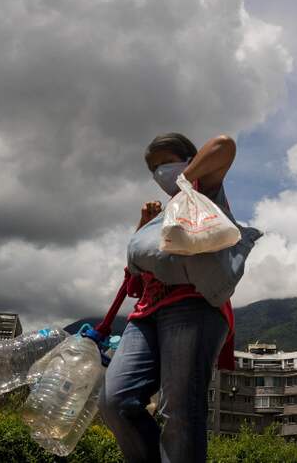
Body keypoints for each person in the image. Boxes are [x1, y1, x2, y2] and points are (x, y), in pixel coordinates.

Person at [99, 133, 255, 463]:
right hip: (145, 316)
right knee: (115, 401)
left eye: (167, 162)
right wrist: (142, 227)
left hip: (192, 307)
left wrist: (187, 178)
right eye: (154, 168)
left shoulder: (203, 194)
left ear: (188, 159)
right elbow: (137, 282)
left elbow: (224, 145)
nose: (160, 172)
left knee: (179, 411)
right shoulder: (159, 217)